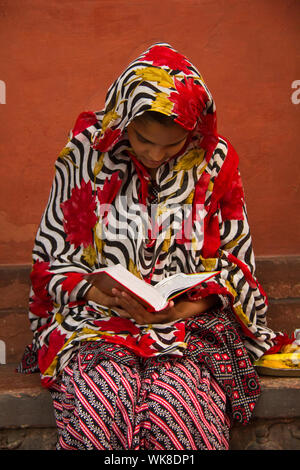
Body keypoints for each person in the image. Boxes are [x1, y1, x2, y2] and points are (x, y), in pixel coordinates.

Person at [19, 43, 283, 450]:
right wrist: (96, 291)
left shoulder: (213, 161)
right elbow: (52, 260)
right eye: (143, 140)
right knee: (106, 398)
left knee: (177, 407)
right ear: (124, 119)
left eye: (173, 144)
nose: (156, 154)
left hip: (191, 328)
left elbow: (236, 267)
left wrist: (181, 308)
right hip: (97, 323)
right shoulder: (85, 156)